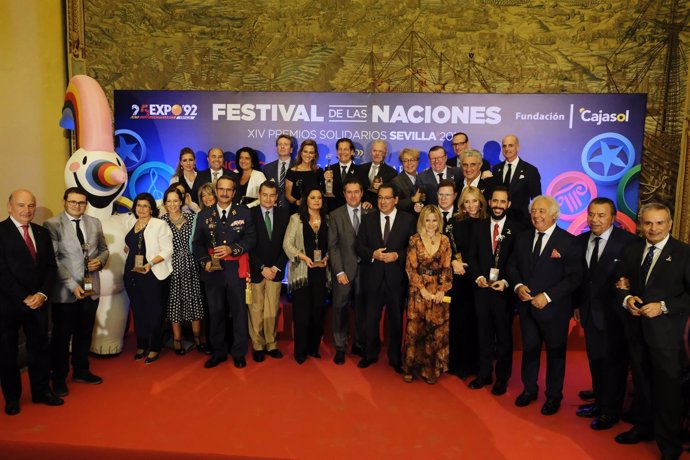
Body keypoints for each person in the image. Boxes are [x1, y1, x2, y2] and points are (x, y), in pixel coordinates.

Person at [616, 203, 690, 459]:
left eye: (659, 223)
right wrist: (627, 301)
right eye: (648, 223)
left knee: (668, 392)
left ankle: (670, 446)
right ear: (640, 224)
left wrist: (664, 306)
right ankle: (643, 428)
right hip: (636, 333)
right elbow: (621, 283)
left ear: (669, 224)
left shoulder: (684, 253)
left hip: (667, 337)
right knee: (641, 384)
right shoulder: (632, 250)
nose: (653, 228)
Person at [507, 195, 582, 416]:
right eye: (534, 211)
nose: (537, 215)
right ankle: (529, 389)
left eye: (542, 211)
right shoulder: (522, 238)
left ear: (554, 215)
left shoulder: (569, 241)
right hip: (527, 307)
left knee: (555, 354)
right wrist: (518, 285)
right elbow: (511, 267)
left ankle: (553, 396)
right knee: (529, 350)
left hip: (554, 310)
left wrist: (547, 296)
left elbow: (574, 277)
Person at [571, 197, 639, 430]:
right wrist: (578, 306)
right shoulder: (580, 241)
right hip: (589, 314)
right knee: (596, 361)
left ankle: (611, 412)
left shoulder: (629, 243)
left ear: (613, 218)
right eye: (591, 214)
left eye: (601, 215)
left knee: (615, 365)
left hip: (616, 317)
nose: (595, 219)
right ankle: (599, 403)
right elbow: (581, 279)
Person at [44, 187, 109, 398]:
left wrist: (100, 261)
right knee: (62, 337)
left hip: (92, 289)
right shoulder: (52, 224)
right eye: (73, 202)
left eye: (81, 202)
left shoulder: (94, 223)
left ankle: (81, 370)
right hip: (65, 292)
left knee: (84, 332)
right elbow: (54, 260)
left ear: (86, 204)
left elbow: (104, 249)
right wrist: (72, 285)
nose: (77, 206)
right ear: (64, 202)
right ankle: (59, 378)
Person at [0, 189, 60, 415]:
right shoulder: (1, 232)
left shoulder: (42, 233)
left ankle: (41, 391)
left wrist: (42, 295)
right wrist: (23, 296)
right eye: (22, 205)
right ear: (10, 207)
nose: (27, 210)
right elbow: (1, 272)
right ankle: (12, 398)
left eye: (31, 205)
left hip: (39, 304)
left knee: (39, 349)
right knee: (7, 353)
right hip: (8, 306)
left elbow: (50, 268)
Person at [192, 176, 255, 369]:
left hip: (235, 269)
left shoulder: (243, 212)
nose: (225, 193)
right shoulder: (204, 215)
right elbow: (197, 244)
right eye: (221, 189)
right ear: (216, 190)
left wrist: (233, 249)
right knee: (216, 311)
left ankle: (239, 352)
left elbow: (252, 239)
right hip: (213, 271)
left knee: (238, 313)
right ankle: (218, 352)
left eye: (229, 190)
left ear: (234, 192)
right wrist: (205, 262)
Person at [466, 186, 522, 394]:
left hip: (503, 293)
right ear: (489, 203)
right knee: (483, 335)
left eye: (502, 202)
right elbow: (471, 256)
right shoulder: (478, 227)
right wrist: (479, 277)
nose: (498, 205)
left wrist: (506, 282)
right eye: (495, 201)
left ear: (508, 204)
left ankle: (502, 379)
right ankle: (484, 374)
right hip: (482, 291)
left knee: (504, 338)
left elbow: (517, 261)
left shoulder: (517, 230)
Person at [356, 184, 416, 373]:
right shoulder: (368, 219)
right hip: (373, 277)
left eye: (387, 198)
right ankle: (370, 354)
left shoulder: (408, 220)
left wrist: (398, 255)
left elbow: (414, 249)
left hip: (396, 279)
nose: (383, 201)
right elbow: (359, 246)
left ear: (396, 200)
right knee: (371, 319)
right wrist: (373, 254)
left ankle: (395, 358)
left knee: (396, 320)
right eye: (380, 197)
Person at [402, 205, 452, 384]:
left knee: (436, 331)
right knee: (415, 330)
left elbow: (447, 268)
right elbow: (410, 267)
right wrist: (422, 289)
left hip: (438, 293)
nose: (431, 224)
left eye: (434, 220)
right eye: (428, 220)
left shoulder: (445, 241)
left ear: (439, 221)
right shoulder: (414, 240)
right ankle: (409, 367)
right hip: (418, 291)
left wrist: (441, 290)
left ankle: (431, 369)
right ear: (422, 221)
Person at [123, 193, 173, 364]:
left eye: (145, 206)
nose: (142, 209)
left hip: (153, 274)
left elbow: (167, 251)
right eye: (139, 205)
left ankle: (154, 347)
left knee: (155, 312)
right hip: (132, 274)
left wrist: (150, 263)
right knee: (138, 311)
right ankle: (141, 344)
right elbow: (132, 243)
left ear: (152, 208)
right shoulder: (131, 222)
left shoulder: (160, 224)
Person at [283, 186, 330, 364]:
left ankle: (313, 348)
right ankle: (300, 352)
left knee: (317, 313)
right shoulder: (296, 219)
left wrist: (327, 257)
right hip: (302, 272)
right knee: (302, 315)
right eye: (312, 197)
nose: (316, 200)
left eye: (319, 198)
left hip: (321, 273)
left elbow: (332, 244)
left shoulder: (327, 219)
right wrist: (302, 256)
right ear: (306, 200)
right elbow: (287, 244)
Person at [447, 185, 487, 379]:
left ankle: (477, 365)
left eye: (474, 201)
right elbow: (446, 248)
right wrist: (453, 261)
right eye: (467, 201)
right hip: (460, 279)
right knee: (459, 321)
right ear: (462, 203)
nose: (471, 205)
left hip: (479, 280)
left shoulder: (487, 222)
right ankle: (458, 364)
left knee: (478, 323)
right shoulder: (454, 222)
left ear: (481, 203)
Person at [328, 176, 369, 364]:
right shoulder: (335, 215)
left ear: (362, 193)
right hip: (343, 271)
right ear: (344, 194)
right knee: (340, 309)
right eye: (349, 192)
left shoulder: (372, 213)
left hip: (366, 271)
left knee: (363, 310)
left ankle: (360, 344)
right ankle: (340, 346)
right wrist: (338, 271)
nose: (353, 195)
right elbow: (333, 246)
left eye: (356, 192)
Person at [161, 186, 205, 356]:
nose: (172, 204)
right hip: (171, 267)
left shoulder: (192, 218)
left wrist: (192, 205)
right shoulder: (161, 221)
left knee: (194, 301)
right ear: (165, 203)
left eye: (175, 200)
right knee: (174, 303)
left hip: (191, 264)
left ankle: (197, 338)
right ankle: (177, 340)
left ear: (181, 201)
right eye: (169, 201)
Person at [248, 181, 289, 362]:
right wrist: (261, 267)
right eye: (265, 195)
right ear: (259, 195)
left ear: (276, 197)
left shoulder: (284, 214)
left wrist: (275, 267)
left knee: (272, 309)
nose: (268, 199)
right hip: (257, 270)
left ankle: (271, 343)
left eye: (272, 195)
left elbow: (287, 244)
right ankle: (257, 344)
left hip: (275, 270)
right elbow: (247, 244)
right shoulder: (250, 214)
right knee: (256, 309)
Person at [492, 135, 541, 227]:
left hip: (521, 222)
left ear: (517, 147)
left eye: (510, 145)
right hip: (499, 221)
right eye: (504, 146)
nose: (507, 149)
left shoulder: (530, 170)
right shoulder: (496, 169)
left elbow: (537, 199)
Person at [285, 139, 325, 210]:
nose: (308, 155)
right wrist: (297, 202)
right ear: (301, 153)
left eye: (311, 152)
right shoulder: (292, 172)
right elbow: (288, 195)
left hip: (315, 210)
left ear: (315, 155)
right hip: (297, 210)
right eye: (305, 151)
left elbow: (323, 192)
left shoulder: (319, 171)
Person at [356, 139, 397, 208]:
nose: (377, 154)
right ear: (371, 152)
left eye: (380, 151)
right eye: (374, 150)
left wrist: (382, 187)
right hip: (361, 208)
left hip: (379, 209)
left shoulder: (392, 173)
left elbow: (392, 195)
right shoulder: (360, 169)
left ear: (385, 153)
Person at [324, 137, 361, 211]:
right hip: (333, 212)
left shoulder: (360, 170)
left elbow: (364, 191)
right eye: (340, 149)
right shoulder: (329, 169)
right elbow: (324, 193)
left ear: (352, 152)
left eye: (345, 149)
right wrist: (325, 181)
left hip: (354, 211)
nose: (342, 152)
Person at [263, 134, 294, 208]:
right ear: (276, 148)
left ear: (291, 149)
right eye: (280, 144)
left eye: (286, 144)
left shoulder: (298, 167)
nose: (282, 147)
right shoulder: (267, 168)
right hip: (273, 210)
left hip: (293, 209)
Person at [391, 147, 423, 214]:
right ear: (401, 163)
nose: (409, 163)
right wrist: (412, 199)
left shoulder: (423, 178)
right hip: (405, 220)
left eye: (412, 160)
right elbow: (394, 204)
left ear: (417, 161)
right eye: (405, 160)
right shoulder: (396, 181)